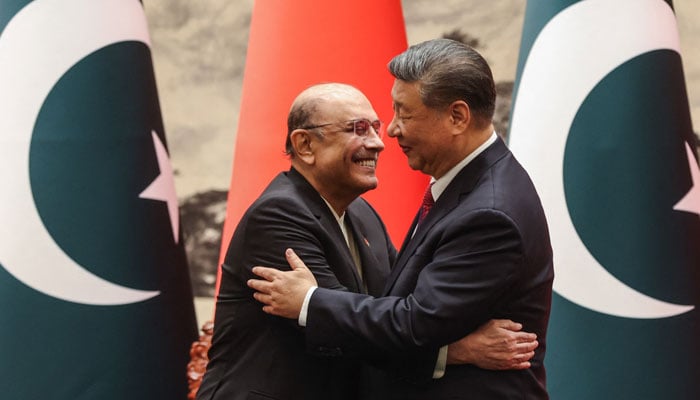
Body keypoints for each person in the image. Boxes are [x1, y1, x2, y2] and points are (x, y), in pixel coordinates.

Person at [248, 39, 554, 399]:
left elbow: (413, 323)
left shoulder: (489, 212)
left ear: (457, 117)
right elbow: (396, 308)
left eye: (404, 115)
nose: (390, 133)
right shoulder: (468, 189)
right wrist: (458, 351)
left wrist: (309, 302)